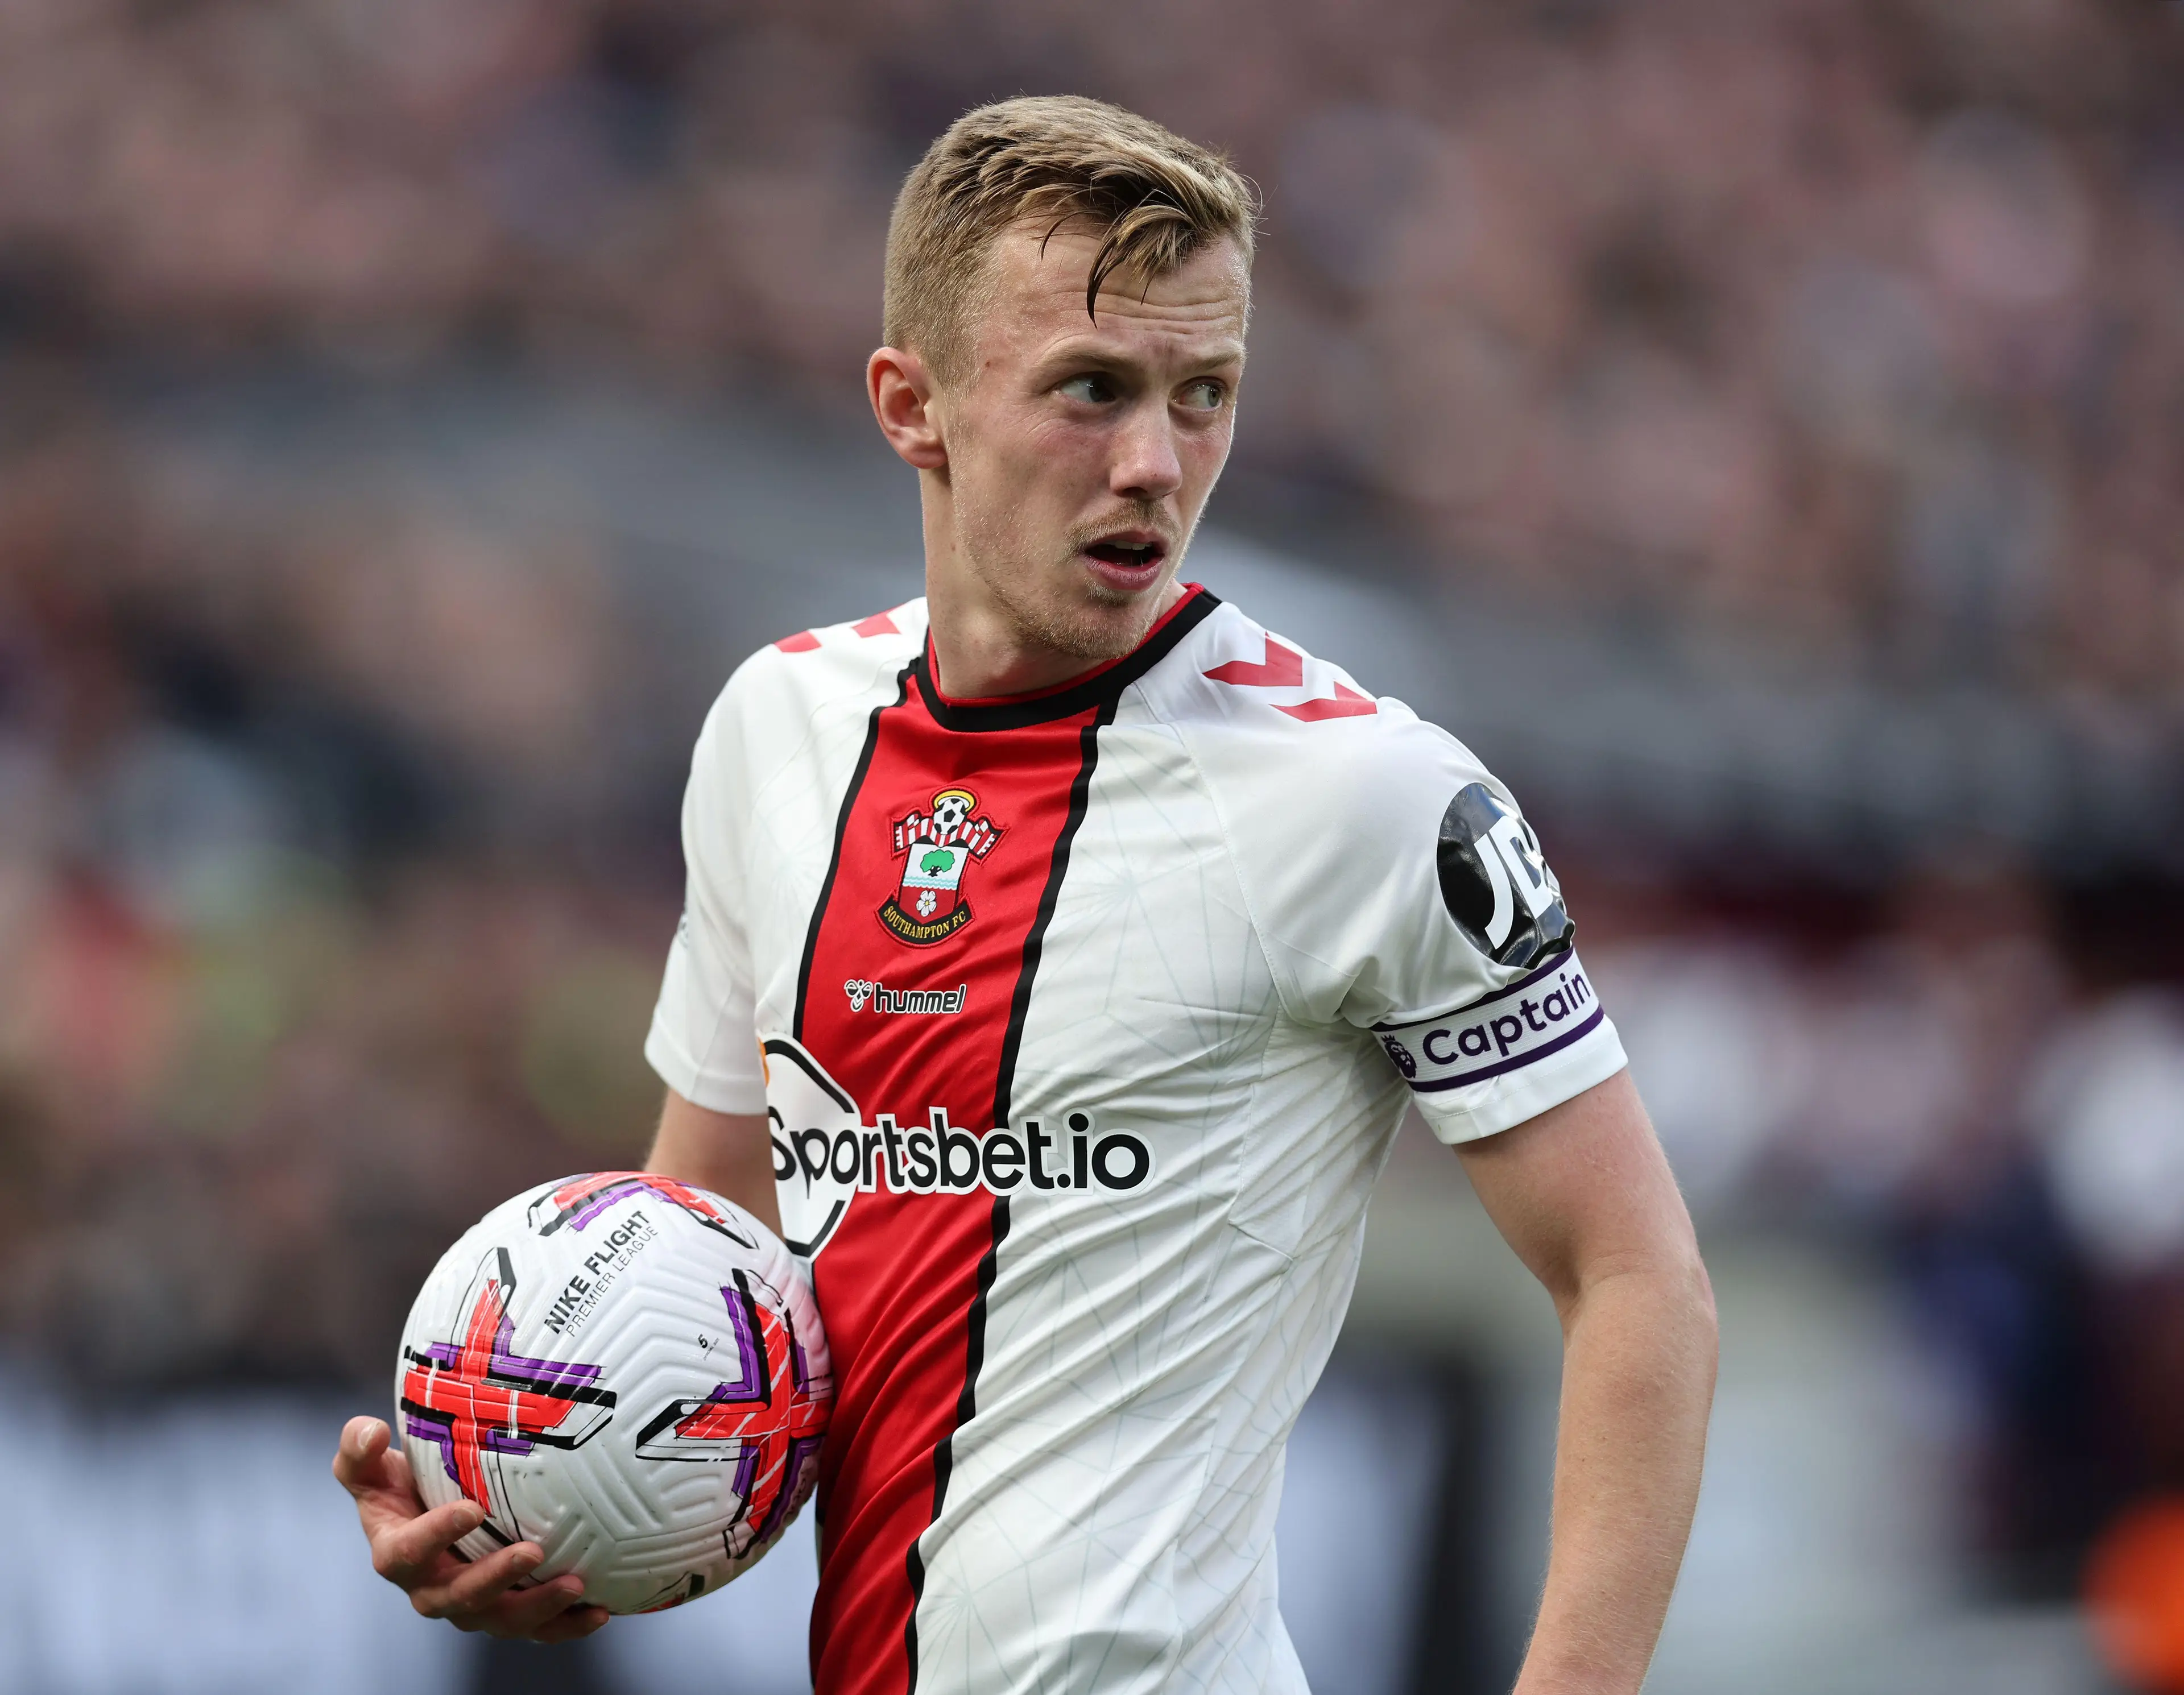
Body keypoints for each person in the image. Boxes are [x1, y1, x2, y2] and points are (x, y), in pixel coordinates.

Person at [336, 94, 1717, 1694]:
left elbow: (1638, 1278)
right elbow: (708, 1283)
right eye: (1092, 391)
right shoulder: (774, 739)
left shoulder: (1371, 797)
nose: (1158, 462)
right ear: (911, 406)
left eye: (1206, 396)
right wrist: (544, 1522)